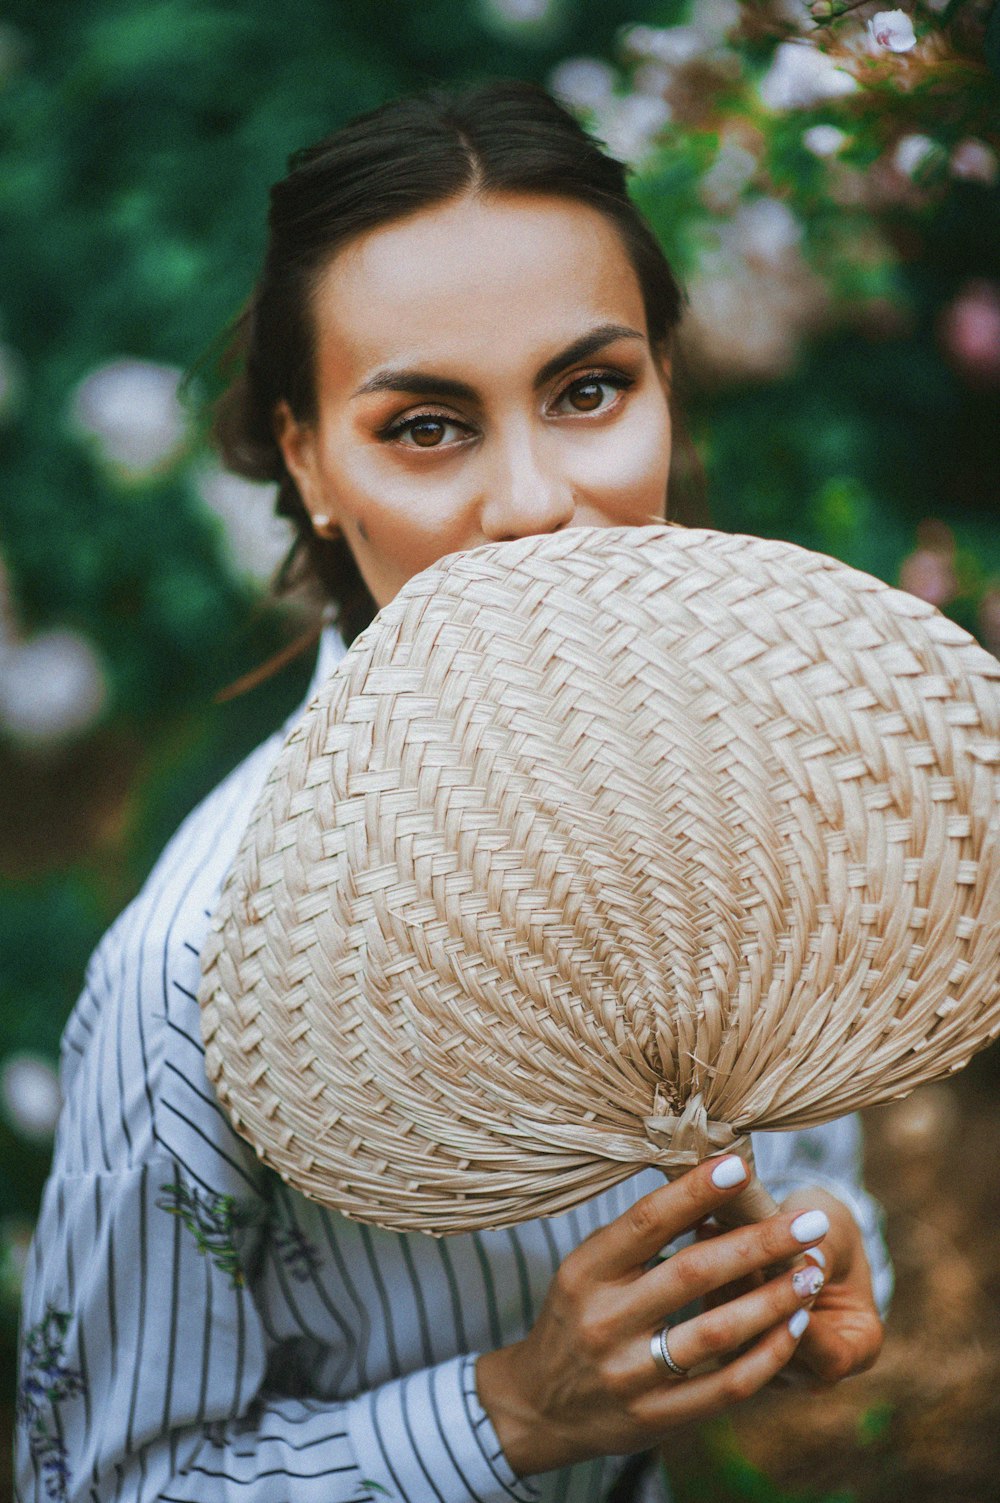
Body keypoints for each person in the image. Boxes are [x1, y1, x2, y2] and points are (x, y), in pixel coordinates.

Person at [16, 80, 891, 1503]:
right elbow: (102, 1482)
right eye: (427, 425)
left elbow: (810, 1160)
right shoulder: (192, 984)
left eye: (589, 389)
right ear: (304, 460)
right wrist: (511, 1413)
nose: (537, 500)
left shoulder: (747, 798)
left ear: (667, 389)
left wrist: (804, 1249)